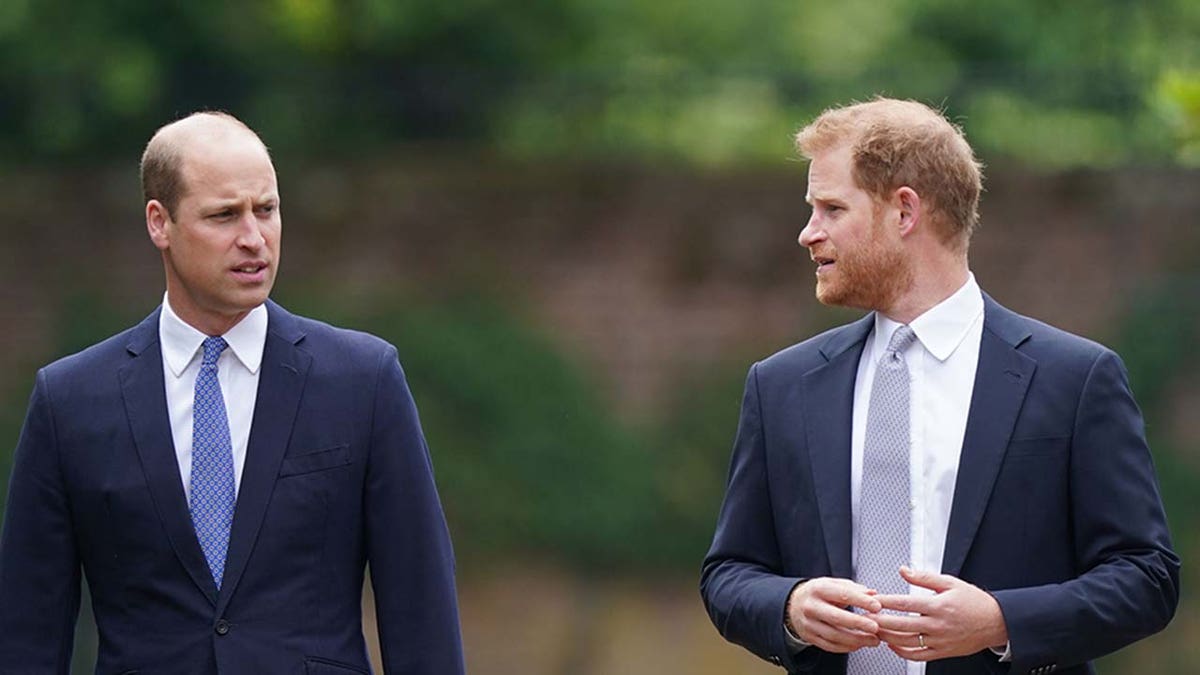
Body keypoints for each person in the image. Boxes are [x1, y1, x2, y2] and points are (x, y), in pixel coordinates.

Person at [700, 98, 1179, 675]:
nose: (808, 233)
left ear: (905, 211)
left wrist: (1002, 620)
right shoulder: (780, 385)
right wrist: (791, 607)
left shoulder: (1075, 379)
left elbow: (1146, 578)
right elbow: (729, 574)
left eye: (831, 208)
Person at [0, 112, 465, 674]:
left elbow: (421, 614)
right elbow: (27, 633)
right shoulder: (69, 400)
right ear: (159, 223)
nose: (253, 238)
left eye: (265, 210)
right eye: (224, 215)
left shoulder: (363, 380)